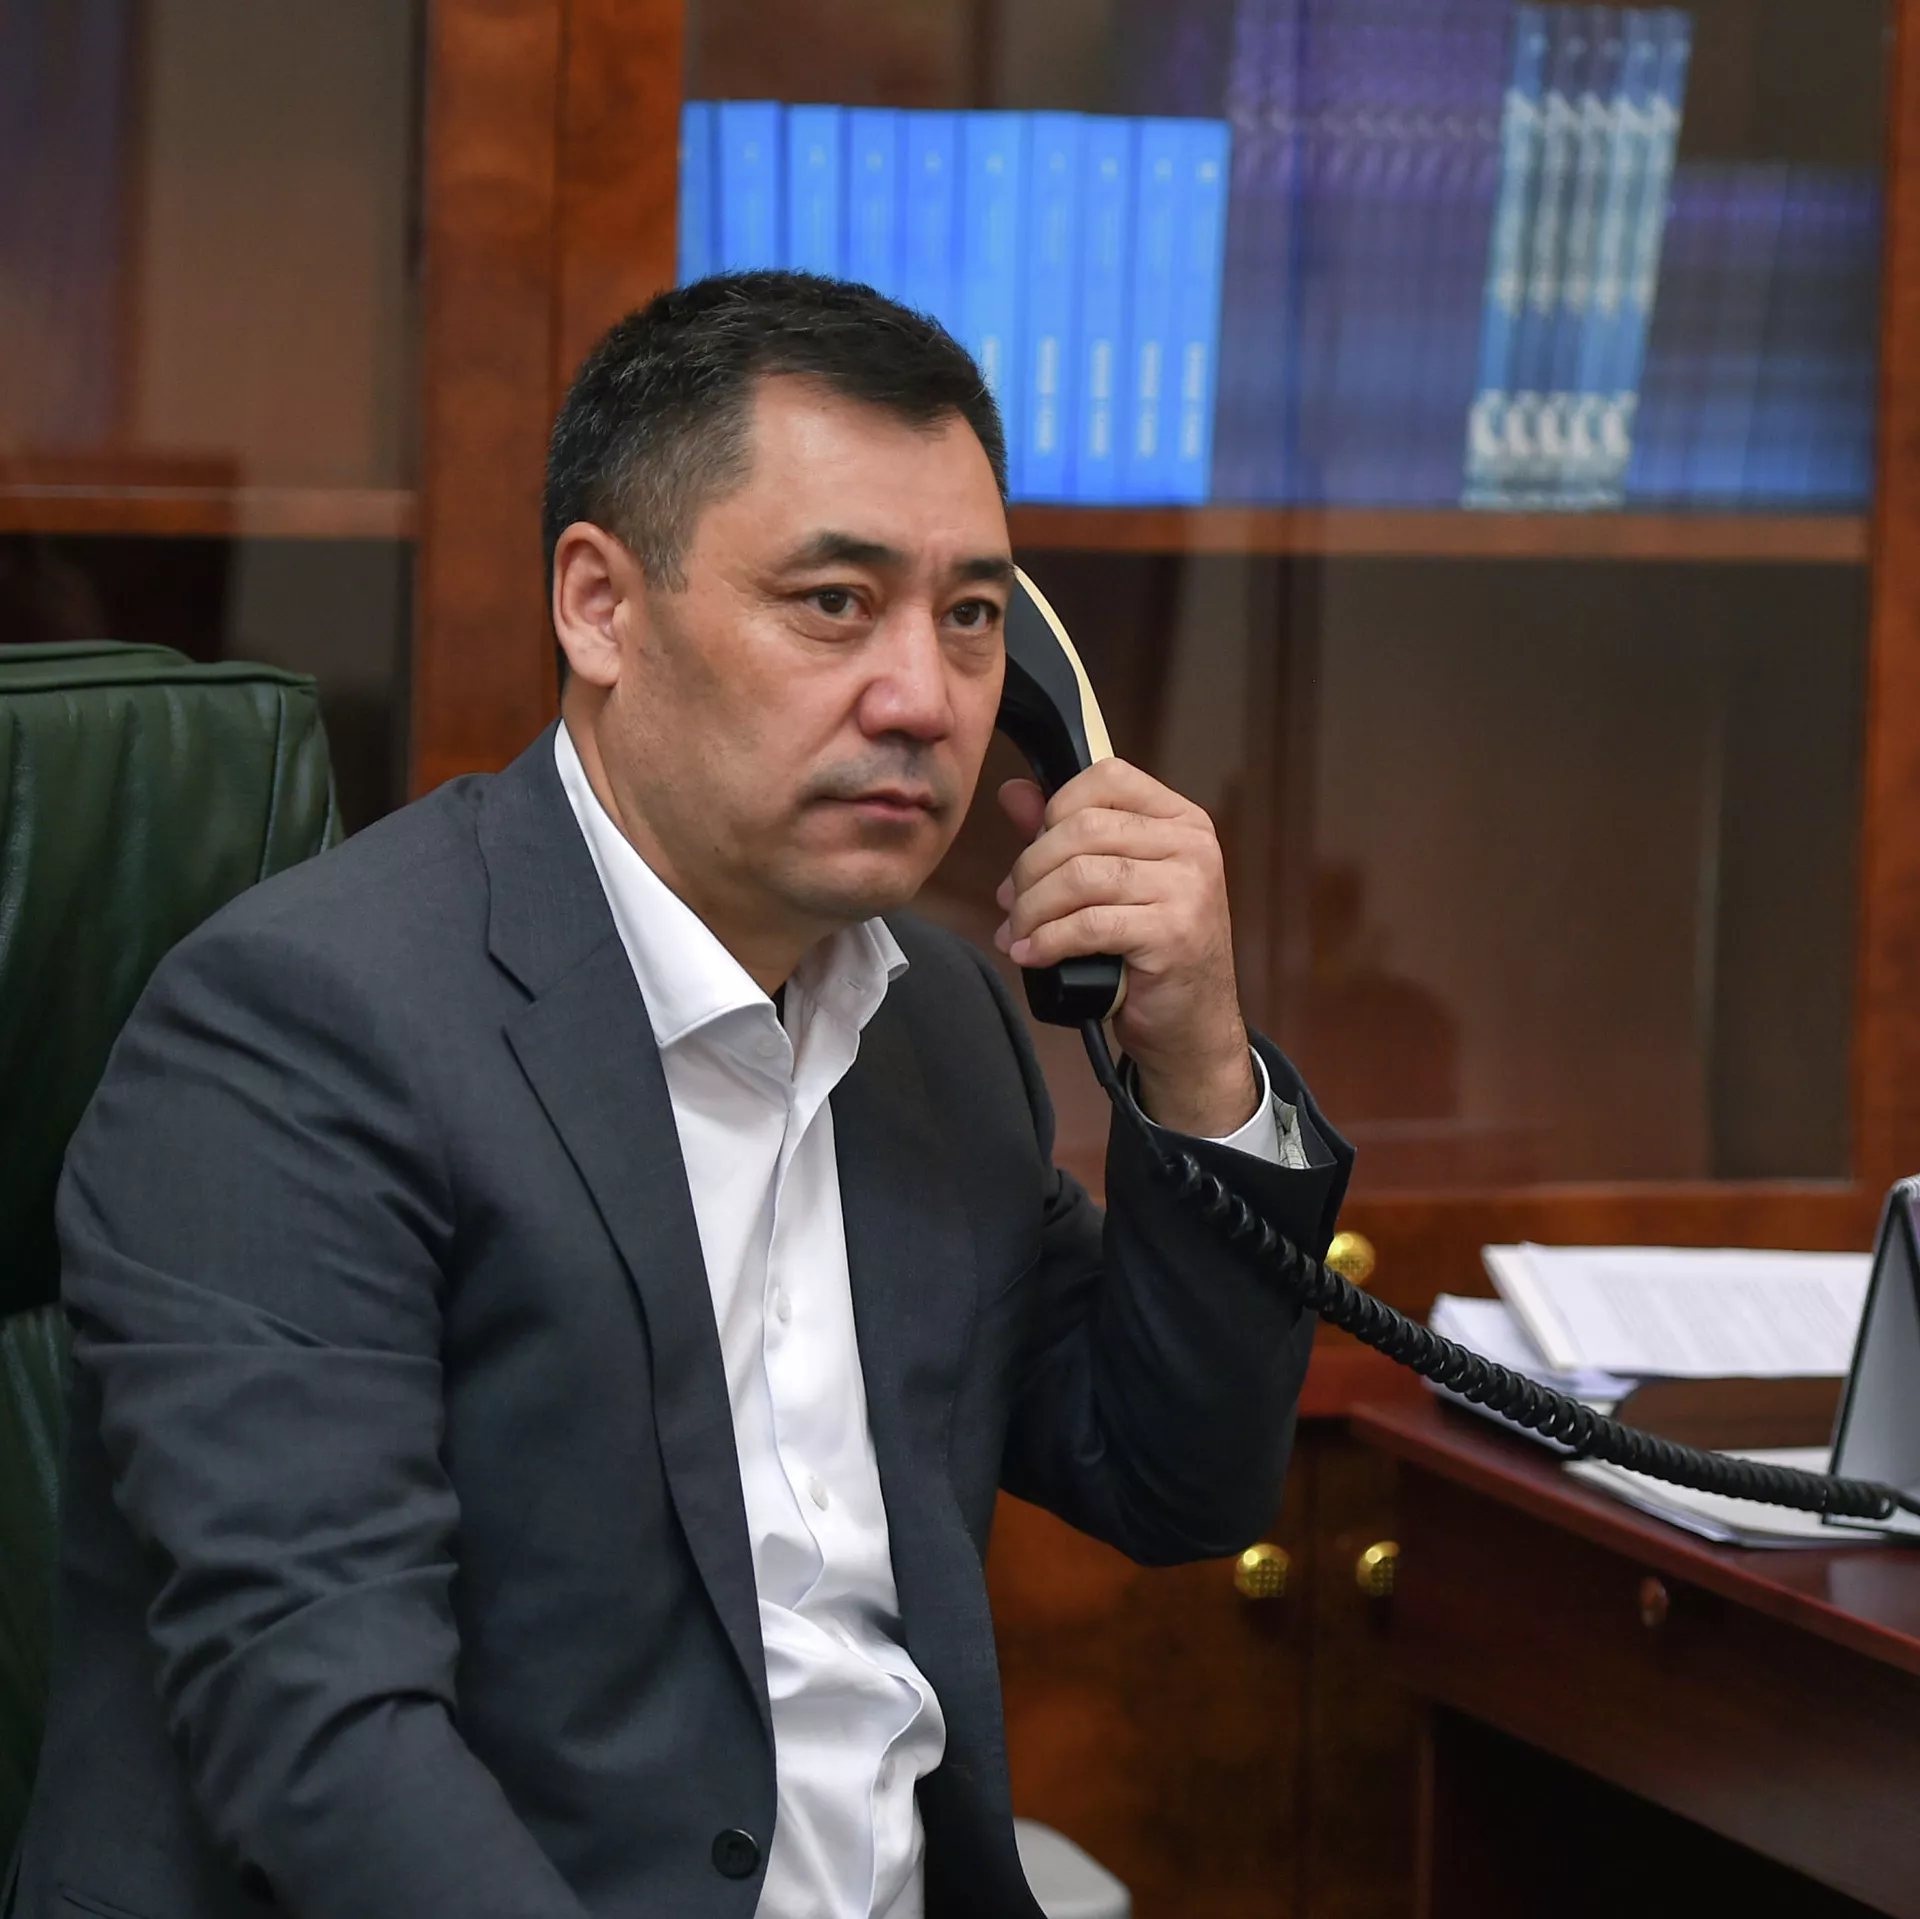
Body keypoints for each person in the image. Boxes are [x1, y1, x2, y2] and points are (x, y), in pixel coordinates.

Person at [10, 273, 1350, 1919]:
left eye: (972, 617)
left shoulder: (934, 1023)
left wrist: (1197, 1057)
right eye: (835, 602)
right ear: (600, 607)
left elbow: (1175, 1479)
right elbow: (328, 1736)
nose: (925, 697)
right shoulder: (302, 1030)